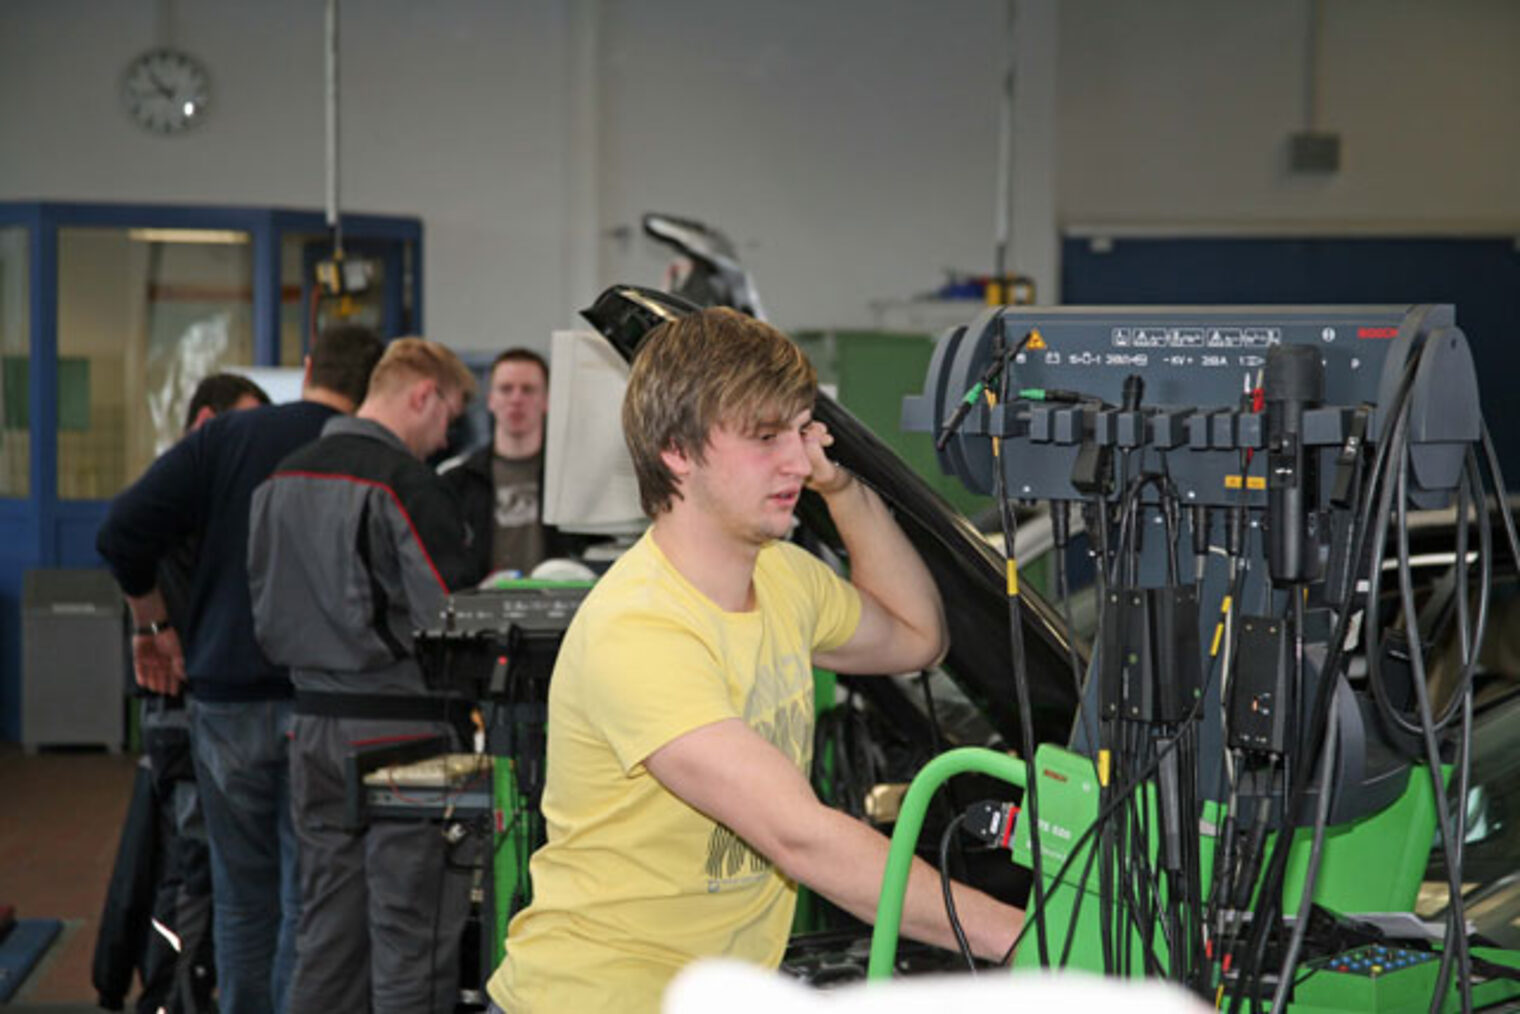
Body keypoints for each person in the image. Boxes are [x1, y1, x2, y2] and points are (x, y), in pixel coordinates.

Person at [485, 308, 1023, 1013]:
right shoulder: (641, 629)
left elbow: (918, 637)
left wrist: (844, 490)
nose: (797, 461)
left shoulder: (781, 577)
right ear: (676, 450)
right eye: (765, 437)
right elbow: (800, 836)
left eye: (801, 432)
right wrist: (1022, 938)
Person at [97, 326, 386, 1014]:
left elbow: (121, 531)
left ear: (309, 368)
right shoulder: (367, 454)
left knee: (240, 899)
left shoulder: (227, 437)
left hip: (223, 700)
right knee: (304, 899)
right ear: (375, 386)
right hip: (319, 705)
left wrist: (154, 623)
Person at [246, 338, 485, 1014]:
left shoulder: (279, 480)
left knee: (327, 937)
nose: (444, 439)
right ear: (422, 394)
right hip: (403, 743)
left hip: (312, 734)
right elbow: (451, 618)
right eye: (449, 416)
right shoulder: (405, 484)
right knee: (412, 940)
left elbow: (261, 608)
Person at [95, 372, 271, 1014]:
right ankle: (171, 998)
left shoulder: (189, 495)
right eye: (241, 427)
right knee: (192, 874)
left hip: (200, 716)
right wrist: (158, 629)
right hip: (186, 714)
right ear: (207, 425)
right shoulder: (181, 502)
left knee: (189, 867)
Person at [441, 347, 594, 578]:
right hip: (483, 605)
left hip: (559, 604)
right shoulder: (457, 480)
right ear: (491, 400)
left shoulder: (574, 480)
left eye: (528, 390)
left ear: (546, 401)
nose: (516, 399)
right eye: (506, 389)